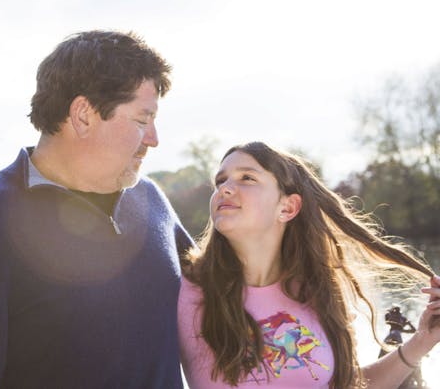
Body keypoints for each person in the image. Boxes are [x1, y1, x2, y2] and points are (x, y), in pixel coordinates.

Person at [0, 30, 193, 389]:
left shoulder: (152, 202)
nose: (154, 139)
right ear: (84, 115)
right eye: (142, 120)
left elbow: (229, 302)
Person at [178, 141, 440, 388]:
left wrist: (422, 341)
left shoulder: (317, 292)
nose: (224, 188)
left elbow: (347, 384)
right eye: (221, 180)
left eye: (247, 178)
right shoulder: (182, 288)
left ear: (288, 208)